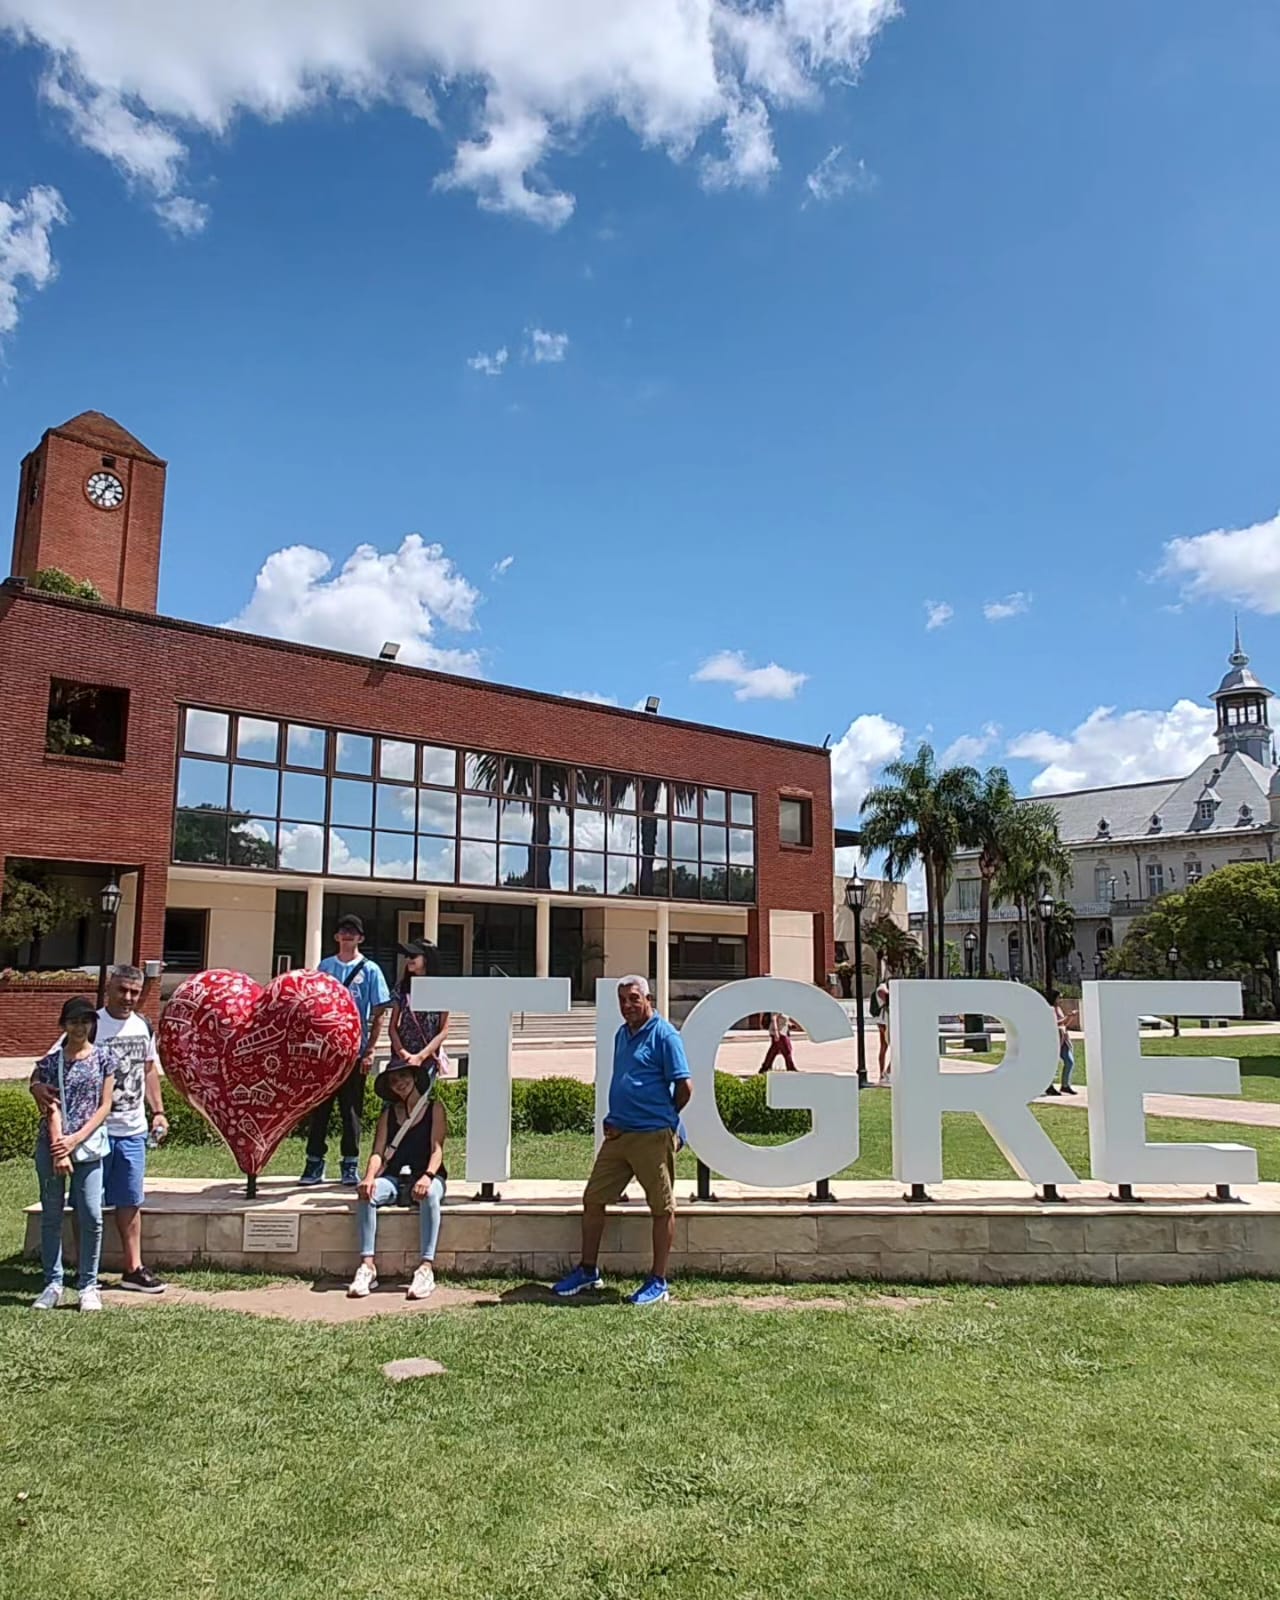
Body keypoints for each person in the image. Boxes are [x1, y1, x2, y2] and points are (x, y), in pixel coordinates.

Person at [29, 964, 170, 1294]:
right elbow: (49, 1064)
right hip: (91, 1134)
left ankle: (133, 1268)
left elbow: (148, 1069)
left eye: (134, 992)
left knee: (130, 1200)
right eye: (122, 990)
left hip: (131, 1129)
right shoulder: (89, 1023)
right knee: (84, 1204)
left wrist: (159, 1111)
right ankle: (83, 1270)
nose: (128, 997)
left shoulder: (142, 1025)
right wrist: (36, 1086)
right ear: (109, 989)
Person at [553, 975, 693, 1307]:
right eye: (622, 1001)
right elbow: (625, 1079)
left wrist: (664, 1119)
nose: (627, 1006)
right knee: (594, 1198)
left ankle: (658, 1282)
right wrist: (615, 1115)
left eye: (633, 999)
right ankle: (588, 1270)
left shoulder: (665, 1035)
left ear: (649, 999)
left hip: (652, 1136)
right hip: (619, 1134)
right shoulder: (622, 1034)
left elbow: (684, 1087)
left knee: (661, 1207)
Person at [31, 997, 116, 1311]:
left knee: (92, 1215)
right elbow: (50, 1105)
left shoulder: (105, 1059)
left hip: (89, 1146)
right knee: (51, 1216)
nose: (80, 1027)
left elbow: (105, 1105)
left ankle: (88, 1284)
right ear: (63, 1025)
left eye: (85, 1021)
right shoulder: (52, 1063)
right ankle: (53, 1283)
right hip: (54, 1146)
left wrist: (76, 1139)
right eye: (74, 1021)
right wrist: (59, 1147)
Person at [300, 915, 392, 1187]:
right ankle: (314, 1162)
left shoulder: (371, 970)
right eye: (343, 931)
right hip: (326, 1052)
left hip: (355, 1050)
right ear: (336, 936)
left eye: (353, 932)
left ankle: (349, 1164)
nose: (347, 936)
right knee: (320, 1109)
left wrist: (371, 1050)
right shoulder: (325, 967)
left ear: (361, 938)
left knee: (352, 1111)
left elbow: (378, 1013)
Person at [348, 1059, 447, 1301]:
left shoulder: (434, 1108)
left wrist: (428, 1176)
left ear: (414, 1078)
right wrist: (369, 1177)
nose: (400, 1083)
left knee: (432, 1194)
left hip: (427, 1175)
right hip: (394, 1178)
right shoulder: (388, 1114)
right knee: (367, 1193)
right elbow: (378, 1152)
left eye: (404, 1077)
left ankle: (426, 1267)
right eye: (394, 1081)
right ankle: (367, 1266)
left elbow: (437, 1149)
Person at [389, 938, 451, 1076]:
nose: (408, 959)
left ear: (427, 959)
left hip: (427, 1059)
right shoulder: (402, 988)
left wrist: (421, 1057)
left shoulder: (442, 990)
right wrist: (402, 1052)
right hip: (402, 1058)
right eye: (407, 956)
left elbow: (444, 1031)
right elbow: (392, 1026)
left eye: (413, 956)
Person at [1044, 991, 1077, 1096]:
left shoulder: (1058, 1009)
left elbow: (1064, 1023)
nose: (1061, 1000)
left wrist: (1070, 1018)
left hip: (1063, 1038)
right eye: (1059, 998)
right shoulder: (1049, 1009)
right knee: (1053, 1064)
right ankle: (1049, 1086)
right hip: (1055, 1039)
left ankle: (1065, 1085)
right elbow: (1053, 1023)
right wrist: (1067, 1016)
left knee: (1069, 1061)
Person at [872, 983, 892, 1083]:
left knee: (885, 1047)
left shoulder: (883, 987)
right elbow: (886, 999)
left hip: (885, 1021)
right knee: (889, 1047)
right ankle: (885, 1072)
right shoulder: (882, 988)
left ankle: (885, 1072)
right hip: (885, 1022)